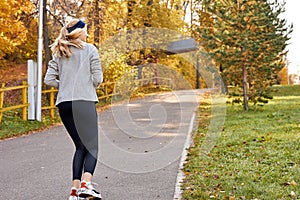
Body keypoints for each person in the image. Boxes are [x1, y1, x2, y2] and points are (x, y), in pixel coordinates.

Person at [44, 18, 103, 200]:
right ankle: (86, 184)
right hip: (84, 102)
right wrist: (84, 84)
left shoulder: (60, 53)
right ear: (79, 32)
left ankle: (74, 191)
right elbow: (98, 80)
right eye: (85, 30)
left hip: (65, 104)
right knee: (92, 146)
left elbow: (48, 80)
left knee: (80, 146)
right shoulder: (90, 49)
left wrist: (66, 86)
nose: (87, 33)